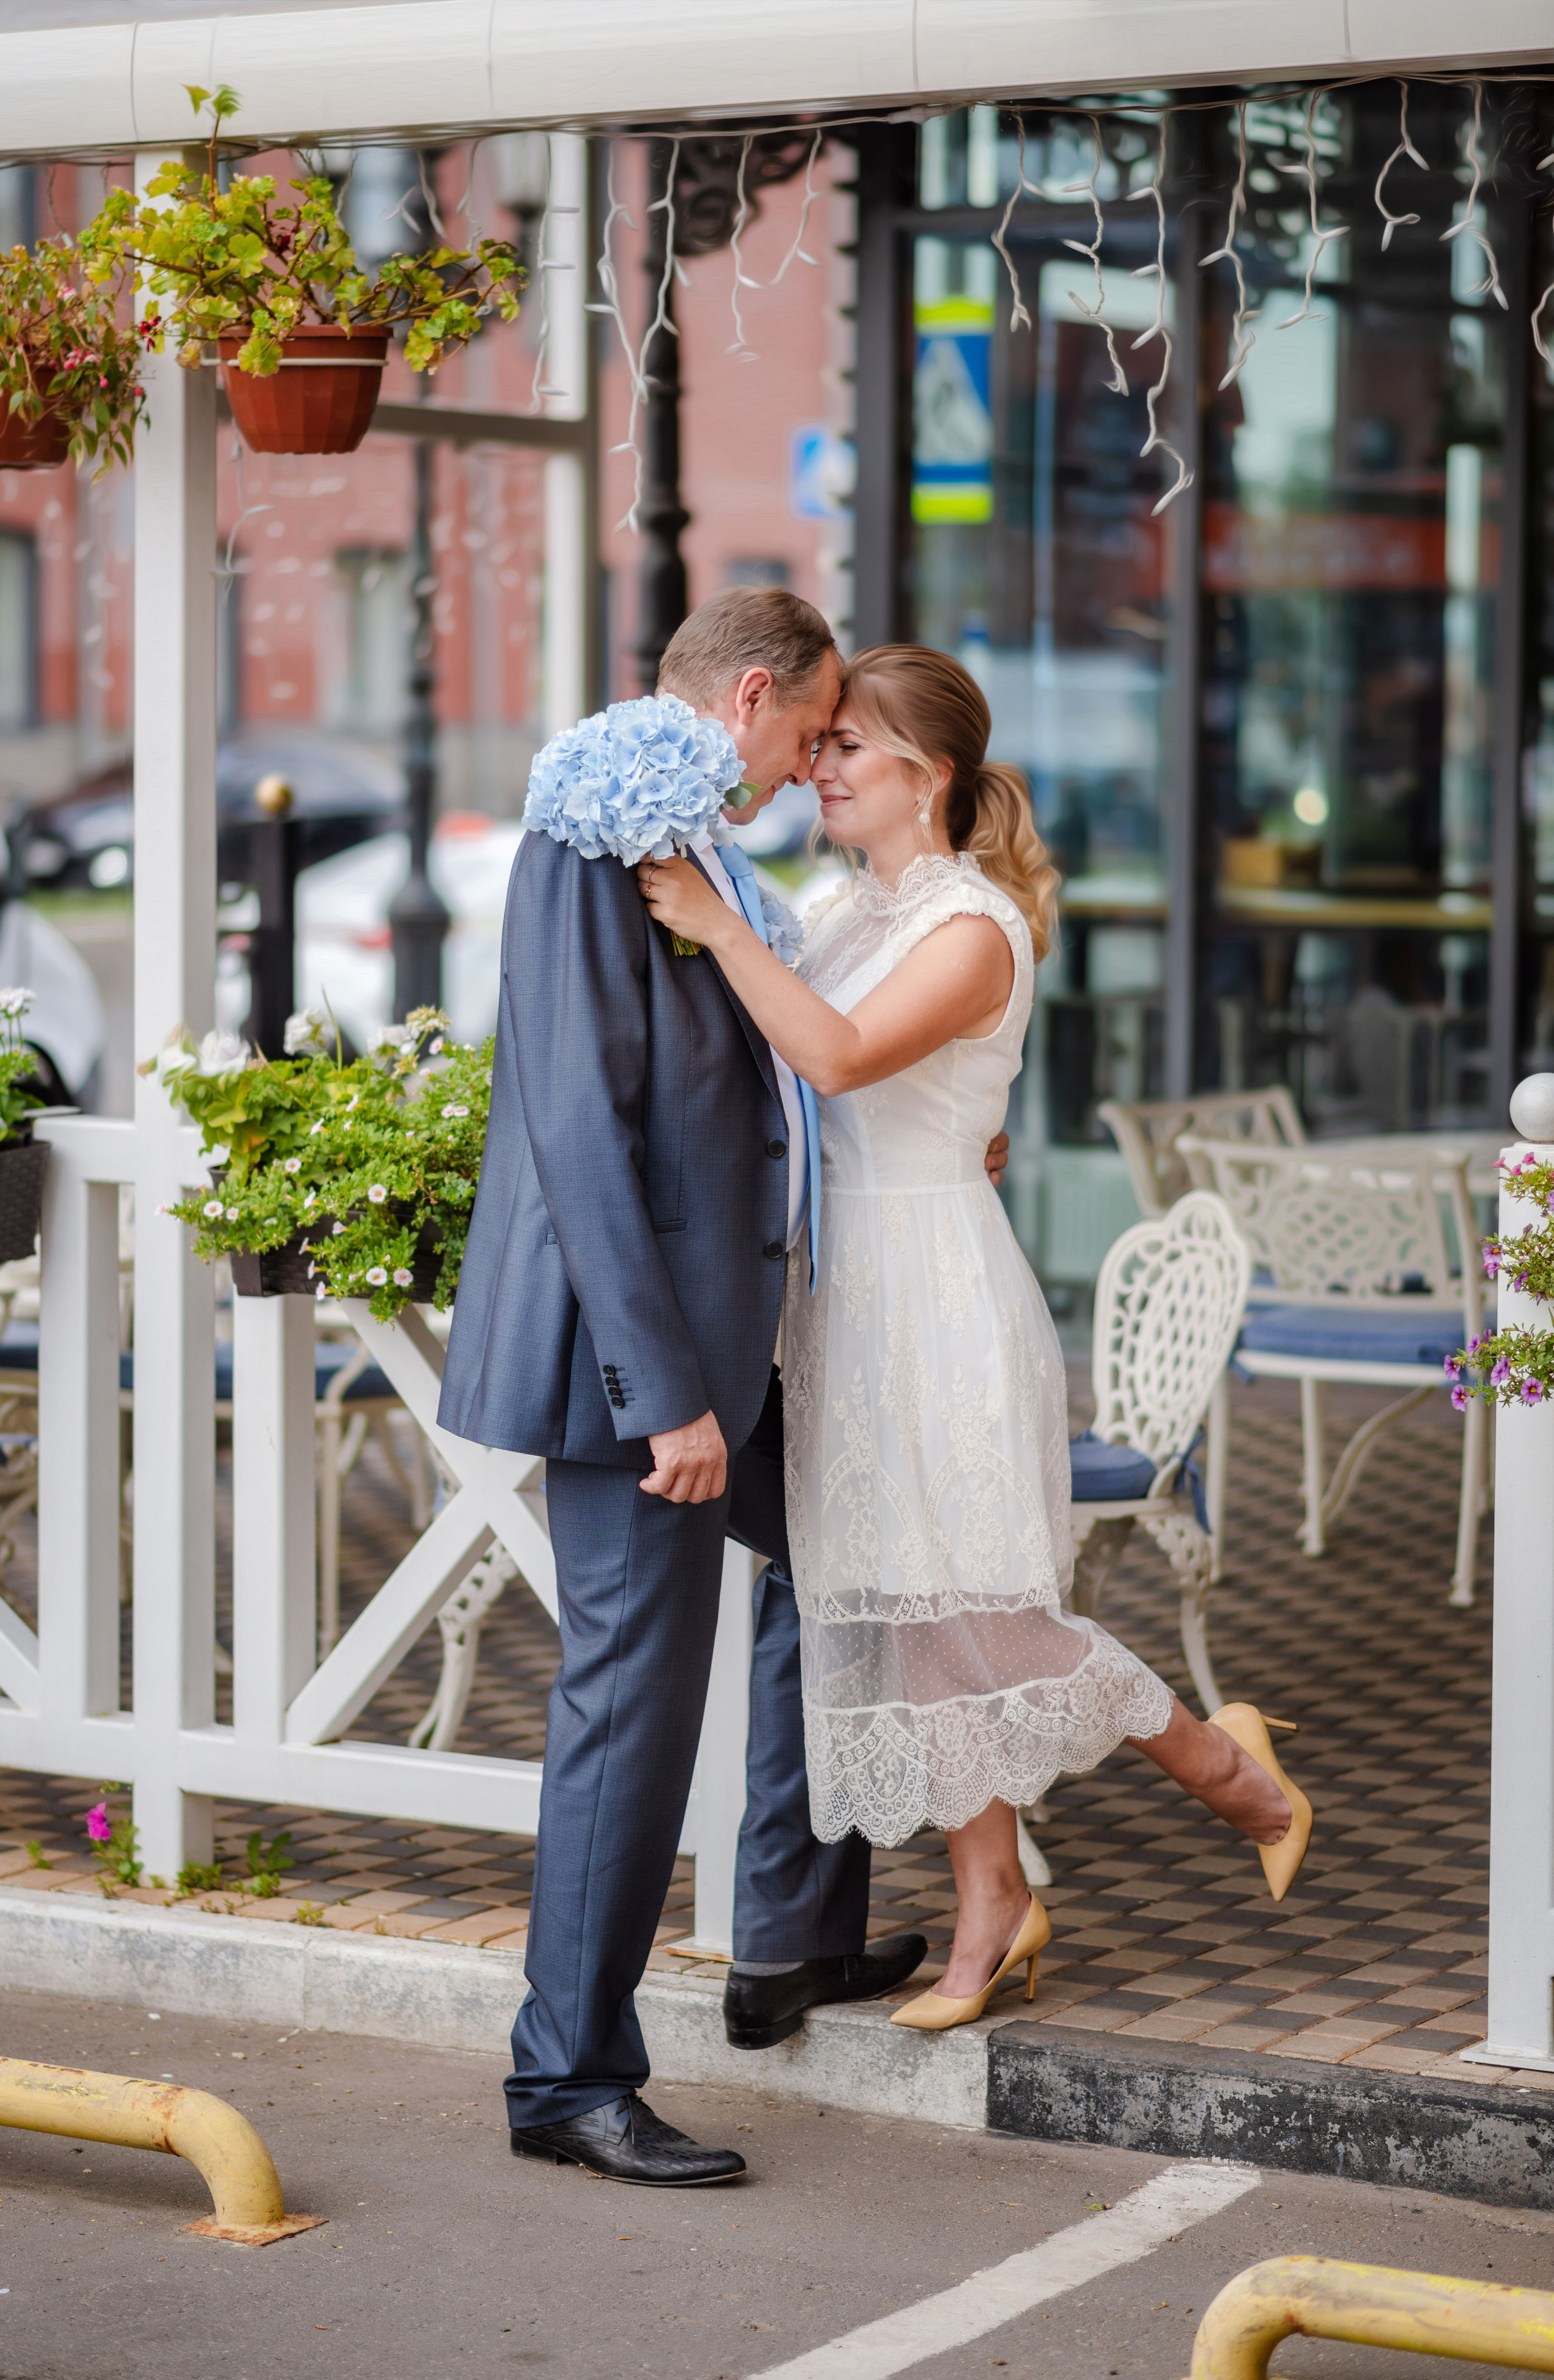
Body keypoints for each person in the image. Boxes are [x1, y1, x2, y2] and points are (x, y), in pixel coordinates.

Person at [641, 645, 1313, 2033]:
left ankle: (1228, 1771)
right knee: (905, 1612)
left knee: (981, 1612)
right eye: (816, 746)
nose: (814, 768)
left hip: (935, 1292)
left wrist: (713, 927)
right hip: (844, 1295)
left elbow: (828, 1057)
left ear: (926, 774)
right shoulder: (844, 910)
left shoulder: (972, 923)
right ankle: (993, 1899)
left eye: (845, 751)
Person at [437, 590, 1004, 2187]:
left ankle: (791, 1928)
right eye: (813, 731)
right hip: (649, 1372)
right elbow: (580, 1129)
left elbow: (750, 1078)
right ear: (751, 695)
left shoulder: (693, 845)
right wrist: (665, 1394)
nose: (813, 761)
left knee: (853, 1554)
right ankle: (566, 2074)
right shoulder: (594, 830)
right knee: (629, 1709)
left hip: (722, 1352)